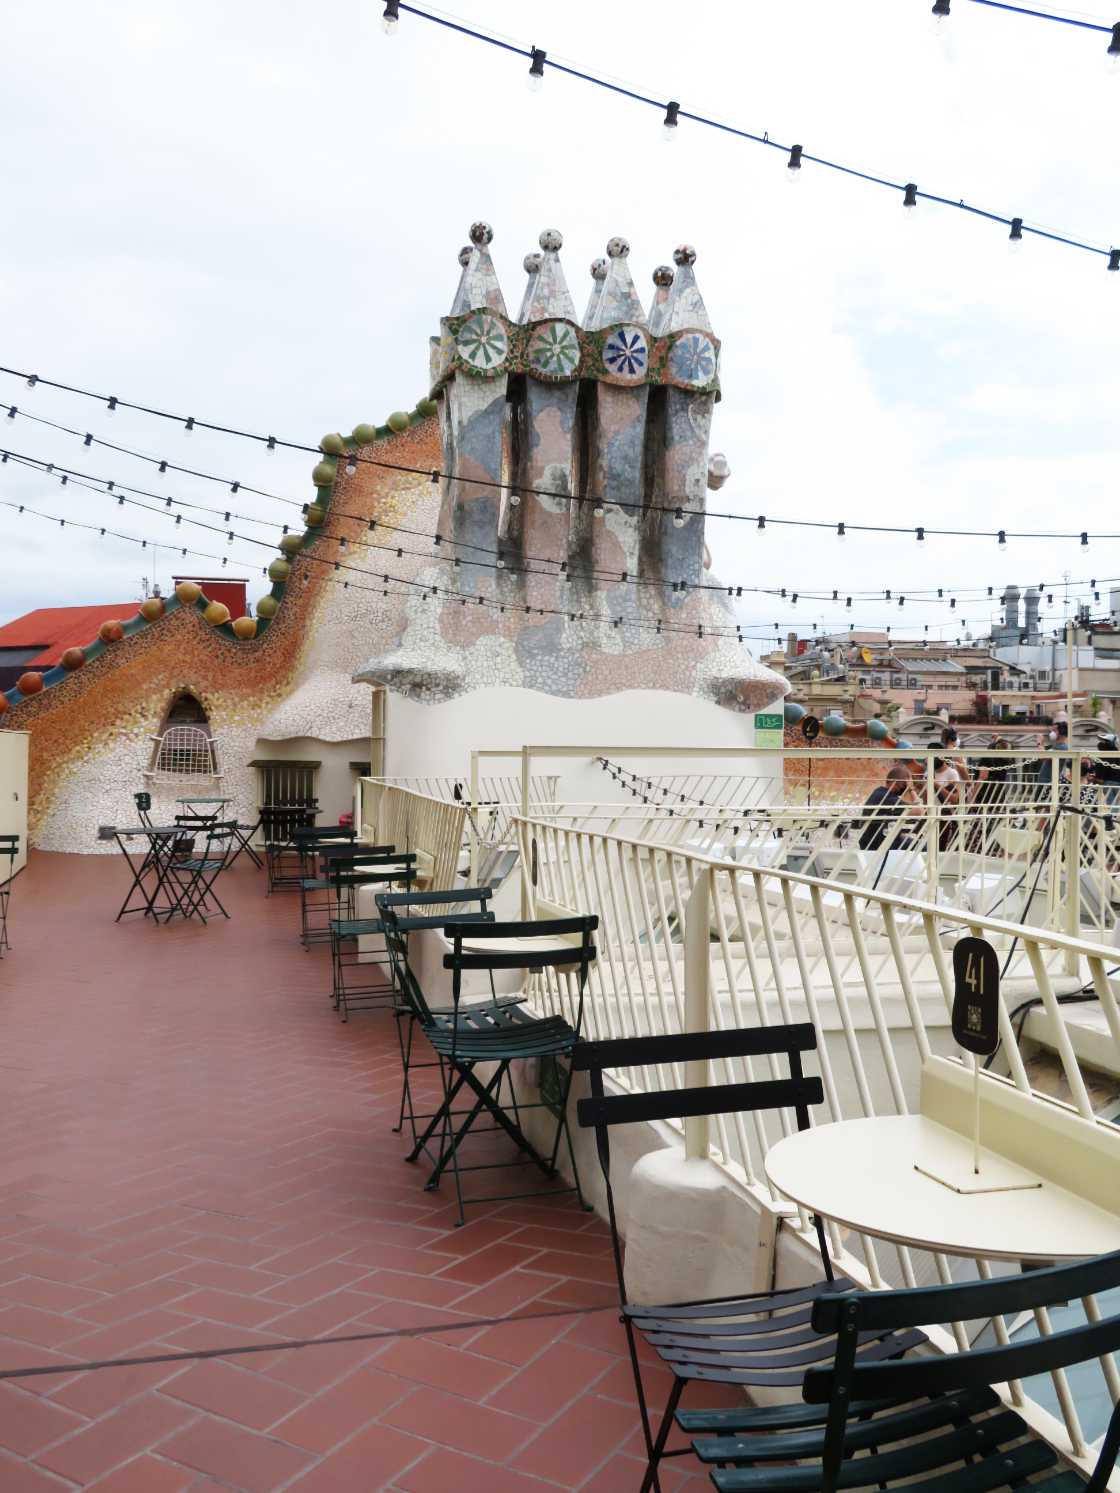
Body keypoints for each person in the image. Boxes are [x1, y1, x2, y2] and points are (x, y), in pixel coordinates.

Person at [858, 765, 922, 851]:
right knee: (923, 846)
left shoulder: (879, 792)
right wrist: (911, 789)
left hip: (872, 841)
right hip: (878, 845)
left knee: (911, 841)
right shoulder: (887, 798)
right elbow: (919, 811)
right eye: (904, 784)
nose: (904, 788)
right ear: (894, 782)